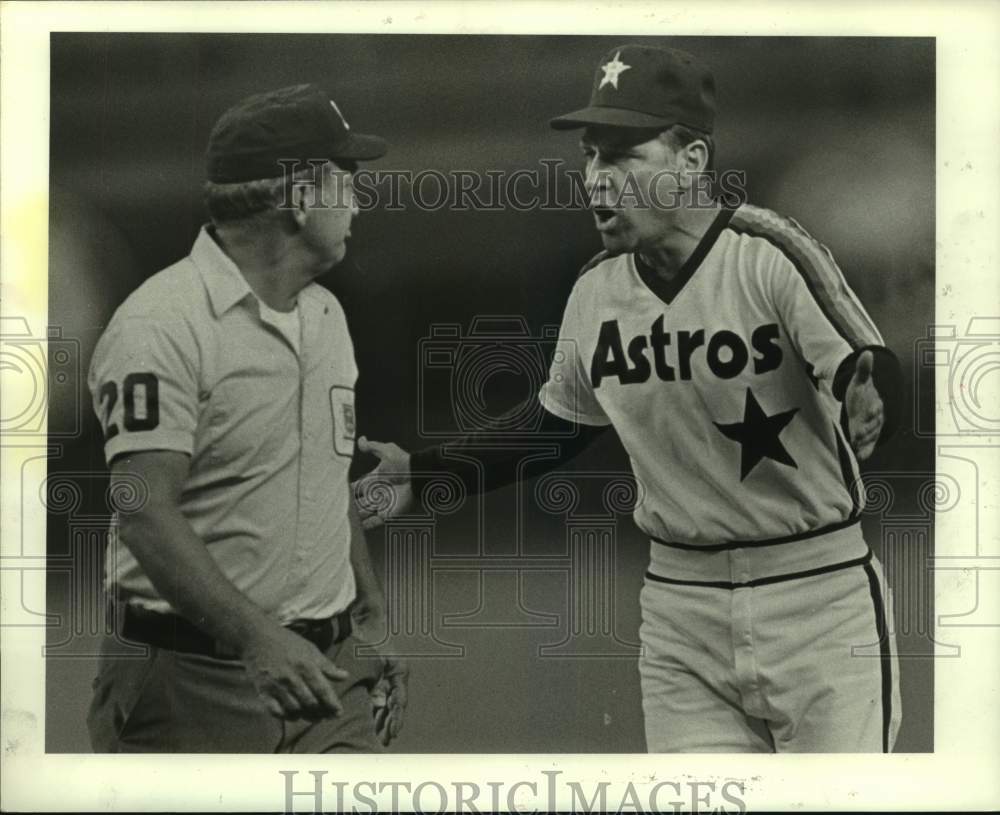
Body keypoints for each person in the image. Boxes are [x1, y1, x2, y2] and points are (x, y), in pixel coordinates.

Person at [357, 45, 904, 753]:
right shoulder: (598, 290)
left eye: (622, 155)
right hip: (682, 617)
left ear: (692, 161)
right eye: (590, 156)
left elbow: (866, 362)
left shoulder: (766, 253)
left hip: (818, 597)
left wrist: (871, 393)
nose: (596, 179)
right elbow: (552, 430)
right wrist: (422, 471)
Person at [86, 83, 407, 753]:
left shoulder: (326, 315)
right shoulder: (160, 323)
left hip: (326, 679)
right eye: (344, 179)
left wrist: (369, 613)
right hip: (190, 681)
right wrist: (258, 639)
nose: (358, 199)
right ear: (297, 197)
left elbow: (326, 477)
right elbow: (144, 510)